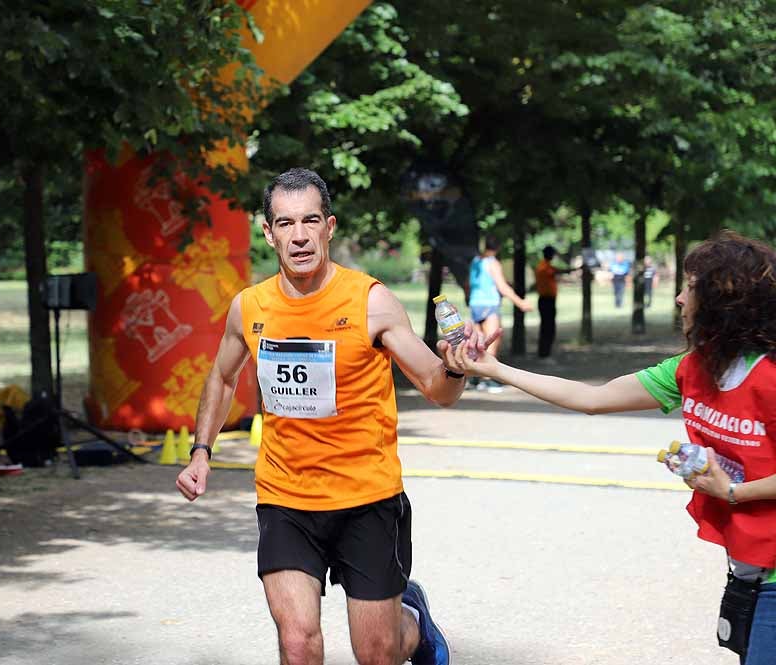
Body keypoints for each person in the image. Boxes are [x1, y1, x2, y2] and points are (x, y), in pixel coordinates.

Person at [176, 168, 479, 665]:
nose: (299, 236)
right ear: (268, 231)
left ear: (330, 227)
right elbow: (223, 378)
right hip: (285, 498)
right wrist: (201, 452)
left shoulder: (370, 302)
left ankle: (415, 623)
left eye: (310, 220)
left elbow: (436, 388)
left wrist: (454, 365)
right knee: (297, 643)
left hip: (367, 497)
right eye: (285, 223)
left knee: (377, 652)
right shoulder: (248, 307)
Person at [448, 230, 776, 664]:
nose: (679, 298)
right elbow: (592, 398)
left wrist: (732, 492)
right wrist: (494, 368)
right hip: (749, 567)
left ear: (722, 303)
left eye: (690, 288)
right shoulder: (691, 369)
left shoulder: (769, 376)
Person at [467, 235, 533, 392]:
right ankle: (488, 380)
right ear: (497, 248)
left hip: (475, 304)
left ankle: (475, 378)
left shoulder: (475, 262)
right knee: (491, 343)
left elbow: (468, 284)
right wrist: (521, 303)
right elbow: (502, 287)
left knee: (477, 343)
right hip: (489, 305)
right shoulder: (493, 263)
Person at [533, 245, 575, 361]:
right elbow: (557, 271)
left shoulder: (546, 266)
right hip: (546, 300)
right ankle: (544, 353)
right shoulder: (544, 267)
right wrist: (574, 269)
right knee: (547, 327)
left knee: (548, 326)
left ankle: (546, 352)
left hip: (548, 300)